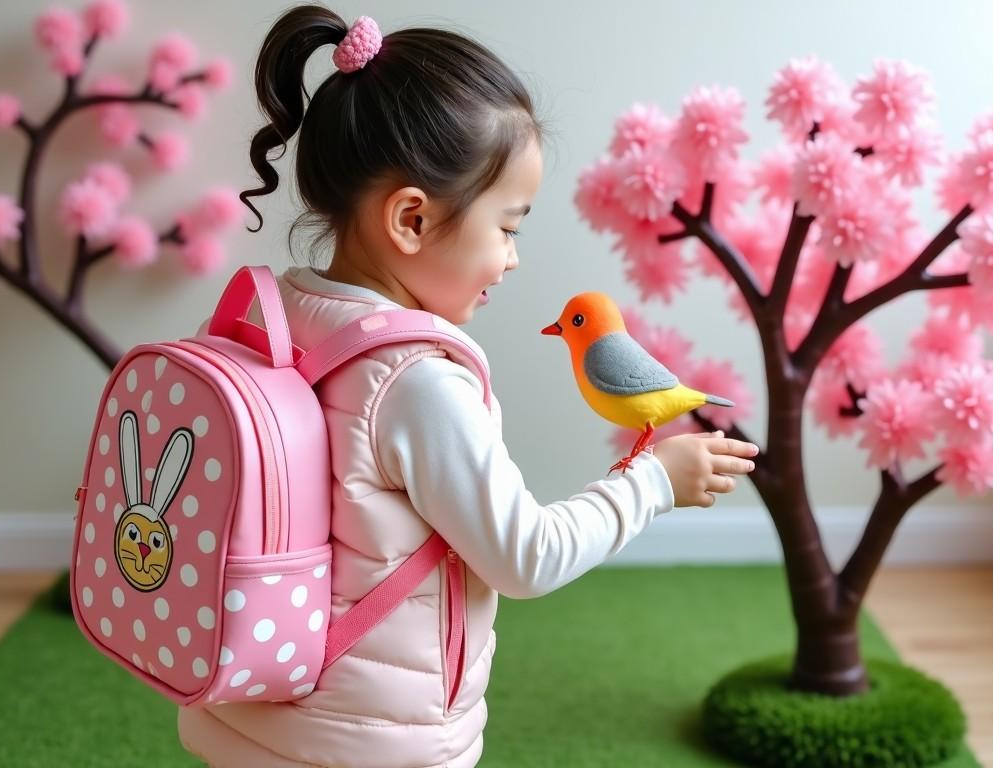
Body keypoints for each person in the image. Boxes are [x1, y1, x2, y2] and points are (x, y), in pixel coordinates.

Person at [177, 6, 759, 767]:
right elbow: (526, 558)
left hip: (239, 712)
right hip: (371, 746)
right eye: (509, 227)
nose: (512, 259)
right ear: (411, 220)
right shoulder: (418, 386)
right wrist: (651, 483)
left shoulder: (273, 316)